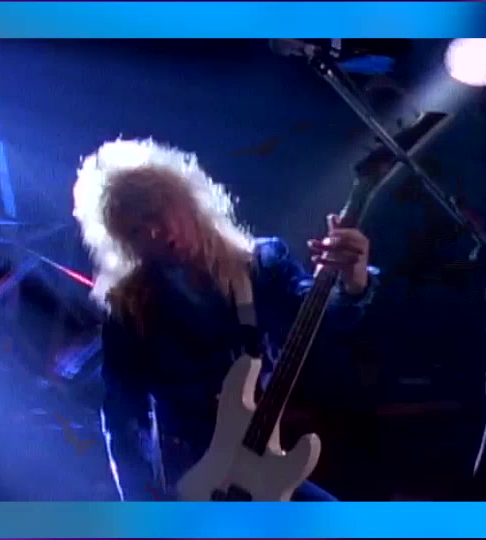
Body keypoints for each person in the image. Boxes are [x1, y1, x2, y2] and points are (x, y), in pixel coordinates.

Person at [72, 137, 378, 501]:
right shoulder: (130, 311)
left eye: (154, 212)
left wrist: (353, 282)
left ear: (185, 200)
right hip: (191, 484)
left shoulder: (262, 265)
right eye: (135, 230)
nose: (154, 232)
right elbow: (122, 418)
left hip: (259, 467)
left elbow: (324, 321)